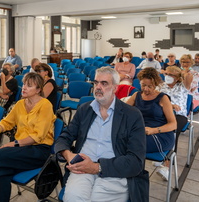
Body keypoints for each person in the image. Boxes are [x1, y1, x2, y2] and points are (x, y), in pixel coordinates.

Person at [55, 67, 149, 202]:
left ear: (115, 88)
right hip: (82, 167)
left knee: (97, 199)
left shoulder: (132, 115)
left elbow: (135, 161)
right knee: (73, 198)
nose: (98, 87)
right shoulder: (85, 109)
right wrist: (68, 155)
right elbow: (65, 136)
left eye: (104, 83)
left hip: (115, 170)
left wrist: (96, 167)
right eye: (95, 83)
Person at [0, 72, 56, 202]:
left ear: (38, 90)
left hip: (39, 151)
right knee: (2, 173)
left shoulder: (45, 105)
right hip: (21, 150)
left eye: (29, 86)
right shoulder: (20, 104)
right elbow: (7, 122)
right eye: (24, 84)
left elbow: (38, 136)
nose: (24, 87)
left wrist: (13, 144)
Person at [126, 67, 177, 181]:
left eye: (150, 86)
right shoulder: (136, 96)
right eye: (143, 85)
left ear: (156, 84)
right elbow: (124, 111)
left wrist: (154, 130)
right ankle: (130, 174)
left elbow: (173, 125)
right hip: (141, 132)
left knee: (131, 144)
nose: (146, 89)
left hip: (160, 134)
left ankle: (134, 176)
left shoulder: (163, 98)